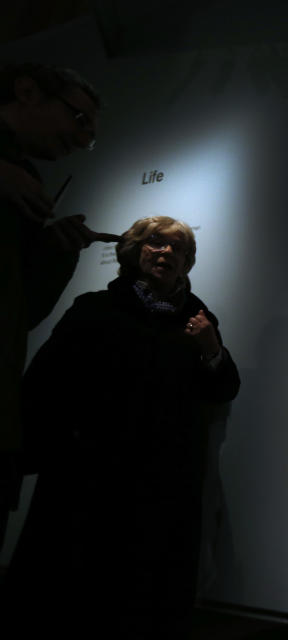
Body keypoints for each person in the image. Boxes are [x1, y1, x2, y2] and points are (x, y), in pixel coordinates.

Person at [1, 216, 240, 638]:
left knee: (142, 600)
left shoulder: (199, 320)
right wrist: (26, 455)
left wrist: (212, 349)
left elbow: (223, 389)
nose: (166, 252)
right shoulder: (95, 308)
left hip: (162, 485)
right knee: (69, 594)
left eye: (177, 248)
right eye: (155, 243)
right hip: (86, 476)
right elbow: (44, 382)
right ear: (134, 252)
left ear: (187, 262)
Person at [0, 63, 115, 549]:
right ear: (26, 92)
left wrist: (56, 250)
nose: (82, 136)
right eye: (79, 118)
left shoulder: (23, 179)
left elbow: (21, 313)